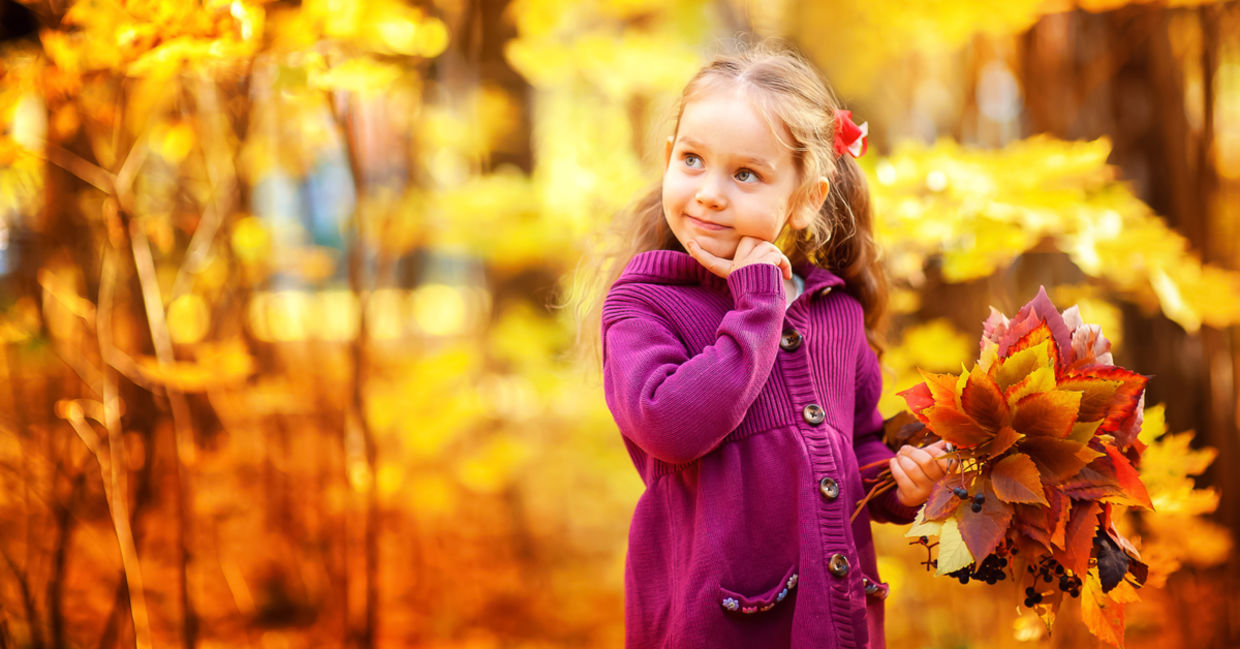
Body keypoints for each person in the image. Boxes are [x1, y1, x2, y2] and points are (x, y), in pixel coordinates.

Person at [580, 42, 951, 648]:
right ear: (669, 158)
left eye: (746, 174)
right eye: (693, 160)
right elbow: (669, 425)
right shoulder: (644, 302)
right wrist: (759, 305)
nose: (709, 193)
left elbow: (855, 444)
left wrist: (895, 484)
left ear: (806, 199)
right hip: (714, 627)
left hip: (834, 625)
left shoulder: (836, 313)